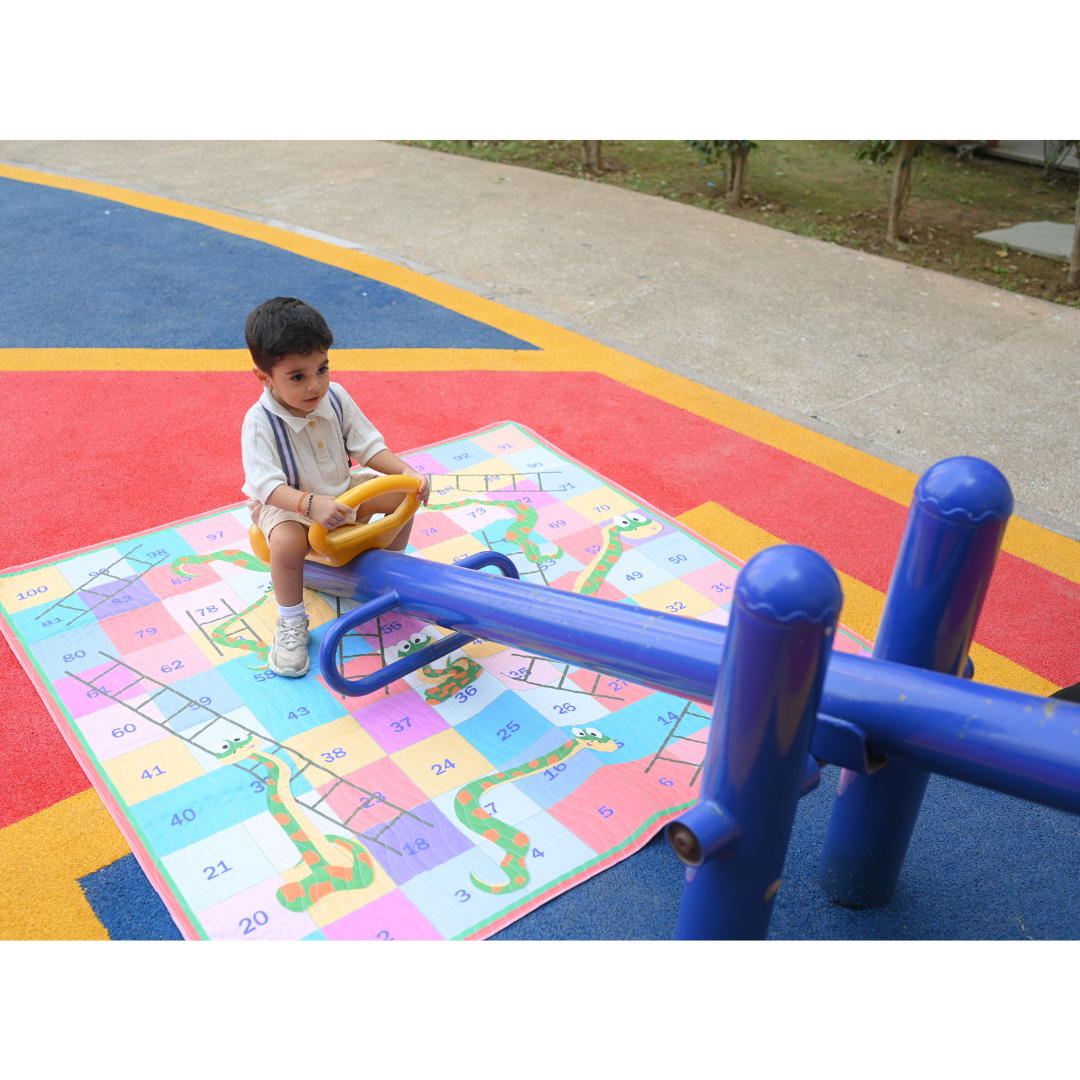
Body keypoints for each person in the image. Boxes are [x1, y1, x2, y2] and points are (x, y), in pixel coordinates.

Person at [241, 296, 429, 677]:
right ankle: (291, 621)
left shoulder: (335, 397)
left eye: (322, 369)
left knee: (401, 493)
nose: (315, 385)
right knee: (288, 541)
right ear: (265, 378)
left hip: (342, 490)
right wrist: (310, 505)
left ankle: (388, 569)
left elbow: (369, 446)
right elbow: (265, 486)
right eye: (298, 376)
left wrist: (409, 473)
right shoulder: (260, 422)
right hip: (289, 504)